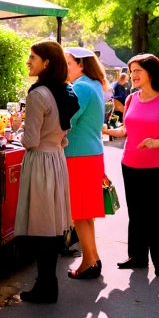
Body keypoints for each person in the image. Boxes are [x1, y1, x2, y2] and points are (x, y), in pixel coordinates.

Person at [102, 53, 159, 276]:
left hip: (157, 166)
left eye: (138, 70)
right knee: (135, 212)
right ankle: (137, 256)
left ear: (151, 72)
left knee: (153, 212)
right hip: (129, 164)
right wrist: (106, 130)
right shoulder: (131, 99)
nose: (133, 75)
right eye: (132, 71)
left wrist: (158, 142)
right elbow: (125, 131)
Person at [15, 40, 80, 303]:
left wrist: (19, 132)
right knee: (52, 223)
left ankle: (46, 285)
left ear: (46, 62)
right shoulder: (67, 90)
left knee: (41, 223)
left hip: (40, 160)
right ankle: (48, 284)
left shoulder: (38, 94)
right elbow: (64, 135)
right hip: (56, 159)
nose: (28, 61)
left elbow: (30, 140)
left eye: (32, 57)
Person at [64, 47, 109, 279]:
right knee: (86, 213)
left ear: (81, 64)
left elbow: (68, 119)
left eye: (69, 63)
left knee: (80, 213)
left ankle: (88, 263)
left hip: (78, 155)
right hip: (91, 153)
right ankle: (93, 259)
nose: (66, 68)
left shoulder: (81, 87)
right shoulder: (95, 85)